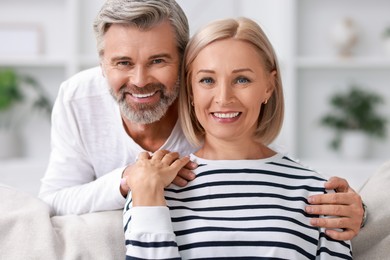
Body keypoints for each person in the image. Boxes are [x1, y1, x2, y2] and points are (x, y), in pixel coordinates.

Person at [38, 0, 363, 240]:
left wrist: (349, 209)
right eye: (122, 62)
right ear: (102, 63)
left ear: (183, 61)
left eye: (158, 61)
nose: (139, 80)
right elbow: (52, 201)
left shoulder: (214, 110)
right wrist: (129, 179)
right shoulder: (77, 97)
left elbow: (270, 180)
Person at [123, 17, 353, 259]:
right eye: (207, 80)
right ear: (191, 91)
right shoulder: (151, 188)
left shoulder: (319, 195)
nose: (224, 97)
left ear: (268, 86)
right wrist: (147, 195)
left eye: (242, 79)